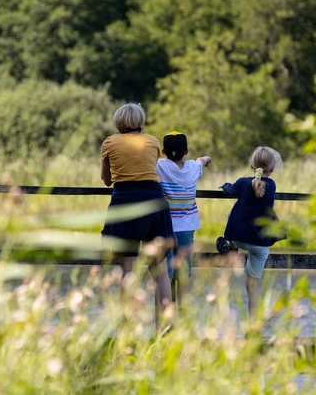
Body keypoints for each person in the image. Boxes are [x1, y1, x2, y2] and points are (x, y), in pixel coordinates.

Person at [100, 103, 173, 329]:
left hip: (124, 205)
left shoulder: (109, 142)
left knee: (127, 269)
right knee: (159, 270)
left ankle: (127, 327)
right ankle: (164, 328)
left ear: (118, 121)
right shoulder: (152, 142)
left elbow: (106, 180)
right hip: (154, 202)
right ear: (140, 122)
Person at [215, 146, 284, 325]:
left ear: (252, 166)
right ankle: (254, 324)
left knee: (237, 211)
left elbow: (228, 191)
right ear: (273, 169)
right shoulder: (272, 186)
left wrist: (225, 186)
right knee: (253, 284)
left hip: (240, 237)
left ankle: (230, 246)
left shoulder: (243, 182)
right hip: (261, 244)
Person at [156, 131, 211, 307]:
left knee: (168, 273)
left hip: (166, 227)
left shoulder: (160, 166)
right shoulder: (193, 168)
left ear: (163, 152)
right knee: (184, 271)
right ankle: (184, 313)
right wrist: (205, 158)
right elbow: (202, 161)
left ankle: (168, 313)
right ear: (186, 152)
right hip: (187, 227)